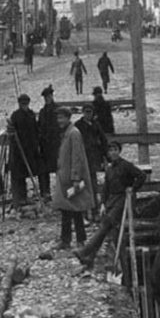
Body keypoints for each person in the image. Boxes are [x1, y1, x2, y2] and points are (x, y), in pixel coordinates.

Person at [75, 140, 145, 268]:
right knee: (106, 226)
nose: (113, 153)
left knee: (106, 224)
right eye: (110, 150)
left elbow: (141, 176)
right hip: (111, 200)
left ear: (119, 151)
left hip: (123, 200)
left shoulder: (126, 165)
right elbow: (105, 188)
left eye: (115, 150)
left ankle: (86, 252)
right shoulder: (110, 168)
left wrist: (132, 188)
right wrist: (102, 203)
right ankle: (90, 257)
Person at [52, 105, 93, 249]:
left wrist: (76, 177)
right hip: (65, 178)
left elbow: (77, 157)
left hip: (72, 178)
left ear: (68, 118)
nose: (59, 121)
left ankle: (80, 240)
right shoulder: (66, 133)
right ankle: (65, 240)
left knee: (76, 210)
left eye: (61, 117)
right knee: (66, 210)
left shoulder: (74, 133)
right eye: (58, 118)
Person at [74, 104, 107, 219]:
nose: (88, 114)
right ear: (83, 112)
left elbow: (103, 140)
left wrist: (105, 156)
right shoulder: (78, 126)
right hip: (82, 159)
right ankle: (83, 213)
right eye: (86, 112)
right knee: (82, 185)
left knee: (93, 185)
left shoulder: (96, 125)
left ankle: (94, 211)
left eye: (90, 112)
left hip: (93, 158)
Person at [8, 93, 40, 207]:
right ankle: (20, 197)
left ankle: (26, 196)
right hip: (19, 150)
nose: (24, 106)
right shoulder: (15, 116)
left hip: (30, 149)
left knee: (29, 172)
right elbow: (12, 133)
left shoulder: (31, 114)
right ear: (19, 104)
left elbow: (35, 130)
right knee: (19, 174)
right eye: (22, 104)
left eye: (26, 104)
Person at [37, 85, 60, 197]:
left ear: (52, 96)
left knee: (60, 170)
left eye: (49, 96)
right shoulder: (42, 112)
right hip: (45, 146)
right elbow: (39, 126)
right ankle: (45, 193)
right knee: (43, 170)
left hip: (57, 145)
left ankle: (61, 192)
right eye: (45, 97)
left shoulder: (58, 111)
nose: (47, 99)